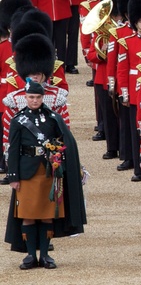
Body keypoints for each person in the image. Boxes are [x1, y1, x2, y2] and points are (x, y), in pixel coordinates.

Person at [4, 66, 86, 270]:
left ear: (42, 98)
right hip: (26, 172)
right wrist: (13, 175)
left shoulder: (52, 118)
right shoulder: (18, 120)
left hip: (48, 171)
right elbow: (12, 149)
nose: (34, 100)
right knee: (29, 214)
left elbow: (64, 141)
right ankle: (31, 255)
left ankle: (46, 255)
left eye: (37, 97)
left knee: (48, 214)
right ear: (25, 97)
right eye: (30, 97)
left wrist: (61, 158)